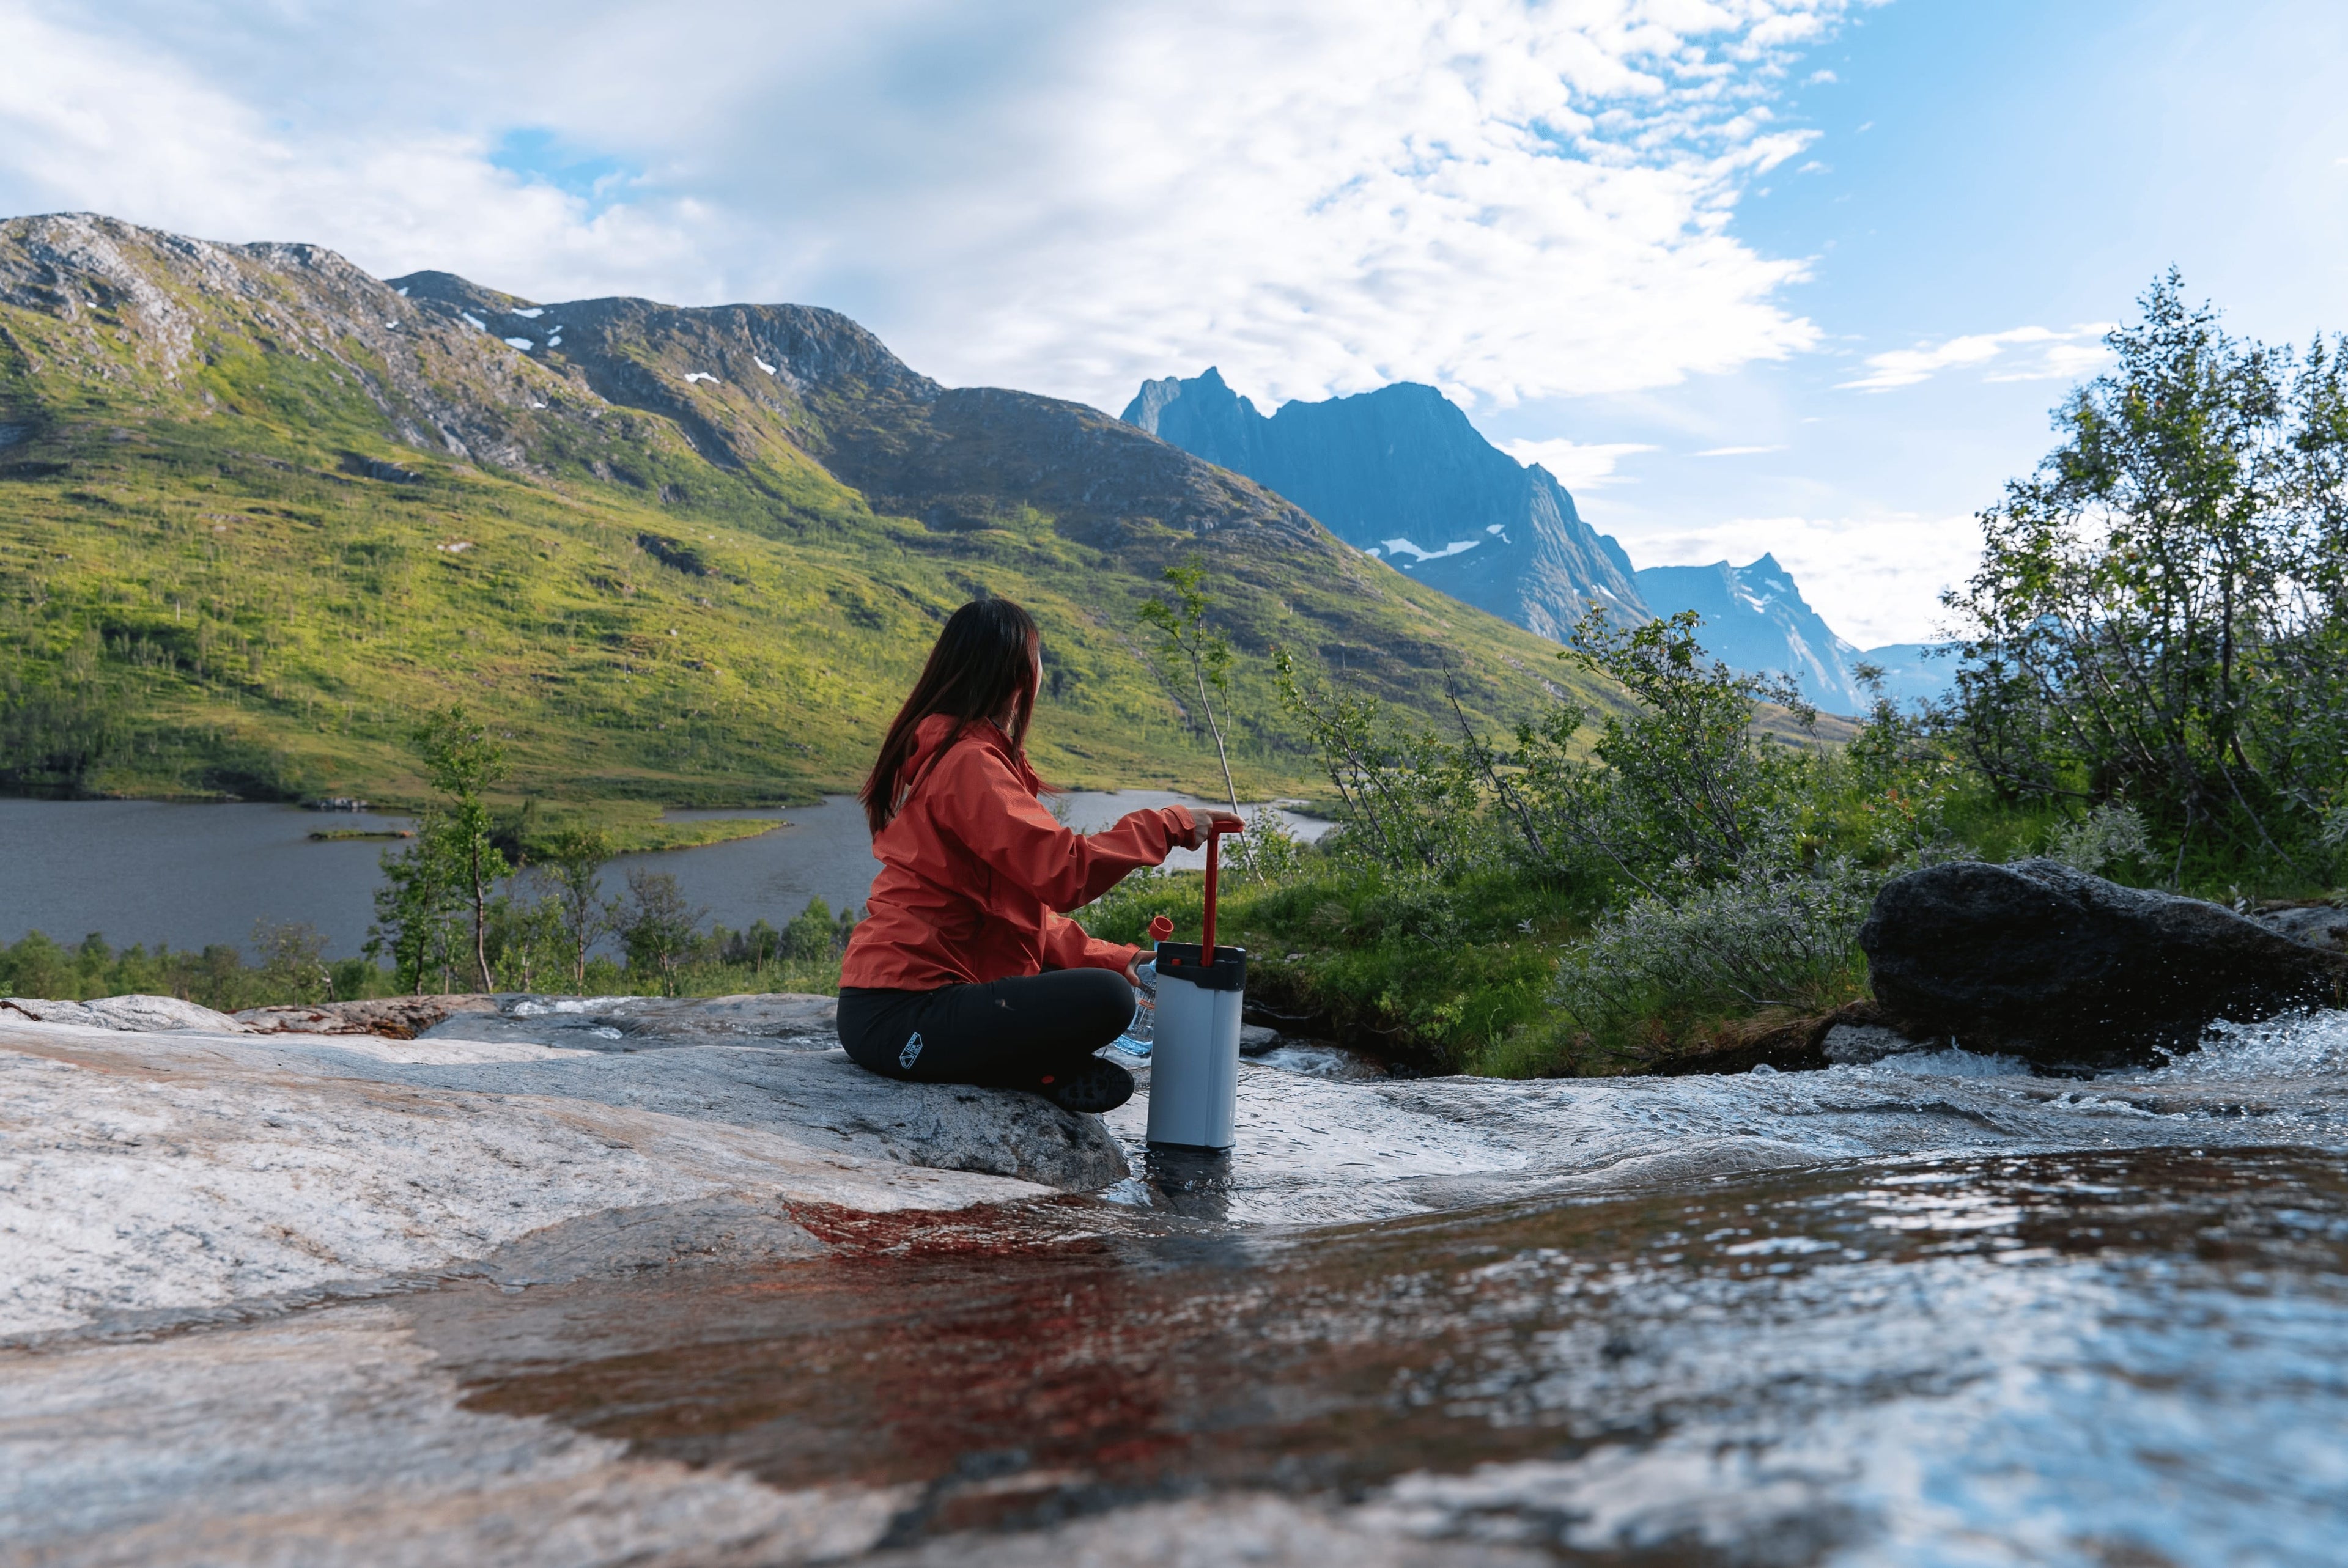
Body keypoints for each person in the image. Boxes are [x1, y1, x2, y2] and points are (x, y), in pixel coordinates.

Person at [837, 597, 1240, 1113]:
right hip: (901, 1015)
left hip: (905, 1005)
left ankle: (1036, 1068)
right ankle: (1035, 1070)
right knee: (1107, 1000)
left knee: (1100, 984)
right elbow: (1063, 873)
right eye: (1038, 658)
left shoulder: (964, 757)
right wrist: (1167, 826)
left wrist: (1118, 958)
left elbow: (1022, 918)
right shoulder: (969, 764)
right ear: (1018, 673)